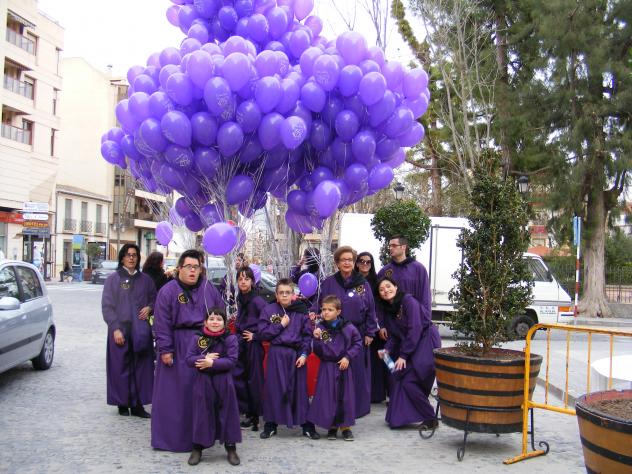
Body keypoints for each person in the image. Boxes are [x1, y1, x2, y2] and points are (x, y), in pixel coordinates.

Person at [151, 249, 225, 452]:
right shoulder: (168, 291)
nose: (193, 271)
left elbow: (220, 314)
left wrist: (219, 341)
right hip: (178, 344)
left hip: (205, 343)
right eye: (189, 267)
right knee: (175, 394)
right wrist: (165, 349)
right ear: (180, 268)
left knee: (201, 393)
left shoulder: (209, 289)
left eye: (196, 267)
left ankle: (202, 438)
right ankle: (173, 439)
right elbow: (161, 322)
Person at [315, 246, 377, 419]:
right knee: (336, 370)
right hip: (333, 334)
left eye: (350, 259)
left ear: (354, 262)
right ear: (337, 263)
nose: (347, 263)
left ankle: (355, 409)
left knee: (356, 372)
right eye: (343, 260)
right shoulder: (329, 282)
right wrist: (316, 322)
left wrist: (370, 332)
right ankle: (335, 407)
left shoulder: (362, 284)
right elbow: (318, 305)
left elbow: (371, 309)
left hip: (357, 333)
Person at [375, 277, 441, 429]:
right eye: (381, 289)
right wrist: (386, 350)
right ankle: (402, 417)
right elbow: (395, 336)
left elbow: (415, 328)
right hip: (412, 343)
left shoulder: (408, 301)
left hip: (426, 341)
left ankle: (430, 417)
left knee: (411, 380)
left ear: (396, 287)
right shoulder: (389, 310)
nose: (386, 290)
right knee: (400, 377)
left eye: (388, 286)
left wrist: (403, 356)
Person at [257, 278, 319, 440]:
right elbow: (262, 333)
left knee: (299, 390)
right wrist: (280, 325)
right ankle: (271, 424)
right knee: (274, 389)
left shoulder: (301, 311)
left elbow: (307, 335)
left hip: (296, 355)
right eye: (281, 293)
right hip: (276, 354)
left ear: (293, 295)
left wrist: (304, 354)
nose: (284, 295)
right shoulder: (268, 310)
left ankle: (306, 425)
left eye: (287, 292)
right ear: (276, 295)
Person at [101, 244, 156, 418]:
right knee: (120, 367)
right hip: (121, 328)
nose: (131, 258)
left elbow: (155, 299)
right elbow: (107, 306)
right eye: (128, 255)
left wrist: (150, 307)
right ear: (122, 258)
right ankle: (123, 403)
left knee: (141, 367)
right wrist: (115, 328)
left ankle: (138, 404)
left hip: (140, 329)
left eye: (134, 255)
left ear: (138, 258)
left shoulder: (146, 280)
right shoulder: (113, 279)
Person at [185, 307, 241, 466]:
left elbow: (232, 361)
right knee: (202, 412)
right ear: (205, 322)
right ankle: (197, 447)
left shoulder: (230, 338)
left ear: (224, 322)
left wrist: (213, 363)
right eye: (211, 319)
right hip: (203, 380)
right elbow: (188, 359)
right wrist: (203, 357)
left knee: (228, 412)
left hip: (224, 380)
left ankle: (231, 447)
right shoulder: (197, 337)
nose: (215, 322)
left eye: (219, 319)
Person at [307, 295, 362, 441]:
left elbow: (357, 343)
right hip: (327, 367)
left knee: (345, 397)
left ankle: (345, 427)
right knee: (328, 397)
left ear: (338, 311)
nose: (326, 312)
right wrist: (316, 339)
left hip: (343, 366)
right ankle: (331, 426)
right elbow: (318, 351)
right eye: (324, 309)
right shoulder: (320, 328)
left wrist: (348, 357)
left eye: (330, 309)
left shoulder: (348, 327)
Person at [233, 266, 267, 431]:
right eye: (240, 279)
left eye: (246, 279)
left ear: (252, 281)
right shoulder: (241, 298)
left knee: (254, 379)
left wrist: (257, 336)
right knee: (240, 377)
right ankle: (247, 411)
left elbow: (268, 320)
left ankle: (255, 416)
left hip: (253, 345)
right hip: (241, 343)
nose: (243, 282)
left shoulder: (257, 300)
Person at [355, 251, 388, 404]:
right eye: (362, 261)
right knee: (364, 361)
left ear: (372, 264)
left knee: (382, 358)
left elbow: (382, 305)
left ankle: (379, 393)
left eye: (368, 262)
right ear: (357, 263)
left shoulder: (377, 281)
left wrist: (381, 325)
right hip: (361, 328)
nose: (365, 264)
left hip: (378, 327)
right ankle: (363, 393)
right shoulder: (352, 281)